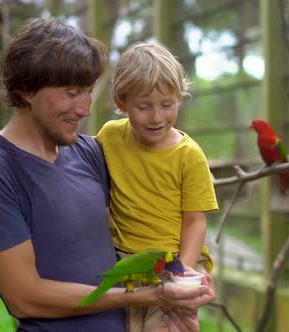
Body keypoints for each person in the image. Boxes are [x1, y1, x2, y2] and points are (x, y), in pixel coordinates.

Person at [0, 18, 215, 332]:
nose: (84, 109)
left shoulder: (90, 152)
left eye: (88, 92)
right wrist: (144, 295)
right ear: (26, 90)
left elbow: (156, 200)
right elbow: (24, 299)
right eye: (71, 93)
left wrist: (183, 277)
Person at [95, 41, 219, 331]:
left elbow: (195, 221)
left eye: (167, 104)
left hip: (173, 259)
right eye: (143, 106)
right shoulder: (109, 137)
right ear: (121, 102)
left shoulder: (188, 155)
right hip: (126, 259)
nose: (156, 117)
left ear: (179, 97)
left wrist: (182, 270)